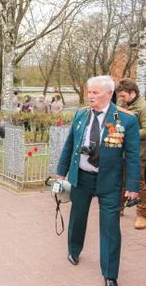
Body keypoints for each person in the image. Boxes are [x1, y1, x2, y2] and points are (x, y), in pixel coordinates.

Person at [56, 75, 140, 286]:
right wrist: (60, 173)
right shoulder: (81, 114)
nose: (90, 96)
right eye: (89, 91)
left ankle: (110, 274)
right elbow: (69, 145)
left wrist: (132, 186)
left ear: (109, 94)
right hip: (82, 178)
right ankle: (73, 251)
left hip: (109, 181)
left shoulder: (126, 119)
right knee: (77, 218)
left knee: (111, 227)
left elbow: (132, 155)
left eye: (95, 92)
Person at [115, 78, 146, 229]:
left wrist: (129, 133)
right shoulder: (122, 104)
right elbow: (117, 119)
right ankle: (119, 207)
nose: (121, 99)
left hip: (139, 152)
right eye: (120, 96)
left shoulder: (143, 106)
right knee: (120, 178)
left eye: (123, 96)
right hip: (121, 150)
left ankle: (142, 214)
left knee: (139, 182)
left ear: (132, 93)